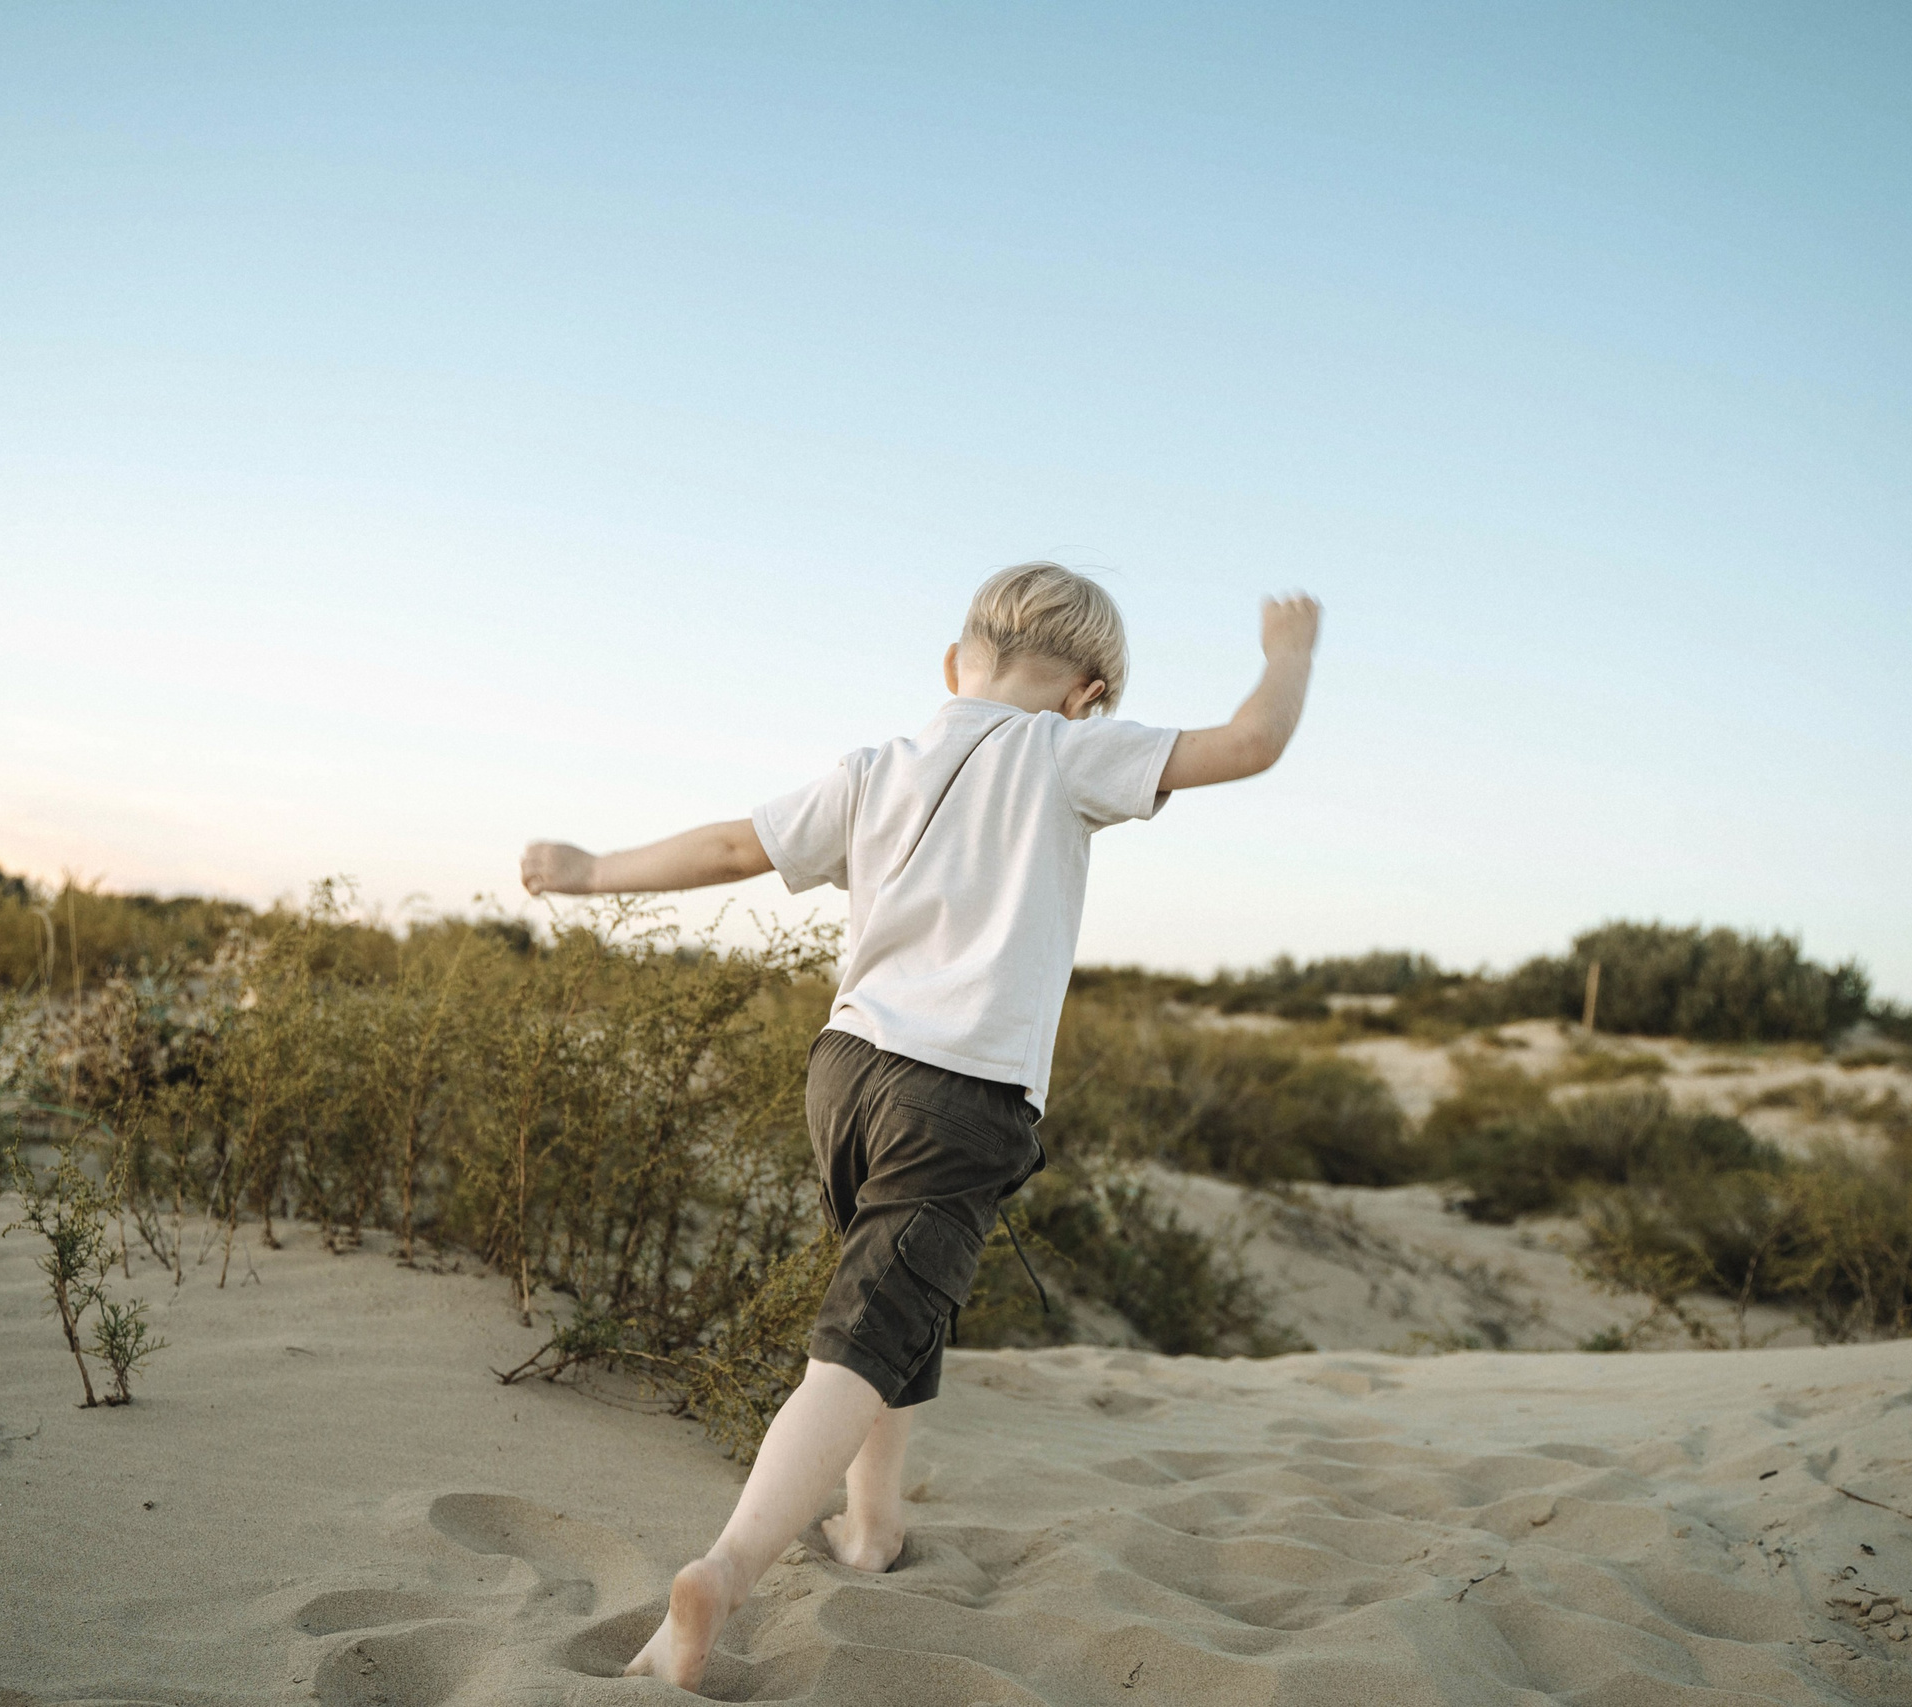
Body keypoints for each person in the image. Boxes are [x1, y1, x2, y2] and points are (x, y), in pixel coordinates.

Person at [519, 562, 1321, 1693]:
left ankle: (870, 1524)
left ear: (955, 665)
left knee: (890, 1303)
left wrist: (591, 869)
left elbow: (728, 849)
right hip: (961, 1096)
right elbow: (1249, 745)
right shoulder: (1066, 752)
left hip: (844, 1075)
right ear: (1089, 695)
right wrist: (1287, 653)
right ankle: (726, 1570)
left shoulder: (874, 770)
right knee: (859, 1340)